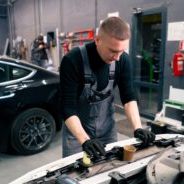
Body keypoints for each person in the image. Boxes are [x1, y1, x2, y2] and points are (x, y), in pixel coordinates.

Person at [59, 16, 155, 158]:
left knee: (108, 168)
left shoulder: (123, 60)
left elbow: (128, 97)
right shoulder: (73, 60)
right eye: (113, 50)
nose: (117, 57)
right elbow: (67, 107)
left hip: (107, 130)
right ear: (98, 40)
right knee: (76, 173)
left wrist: (138, 127)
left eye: (122, 51)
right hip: (77, 134)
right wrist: (85, 140)